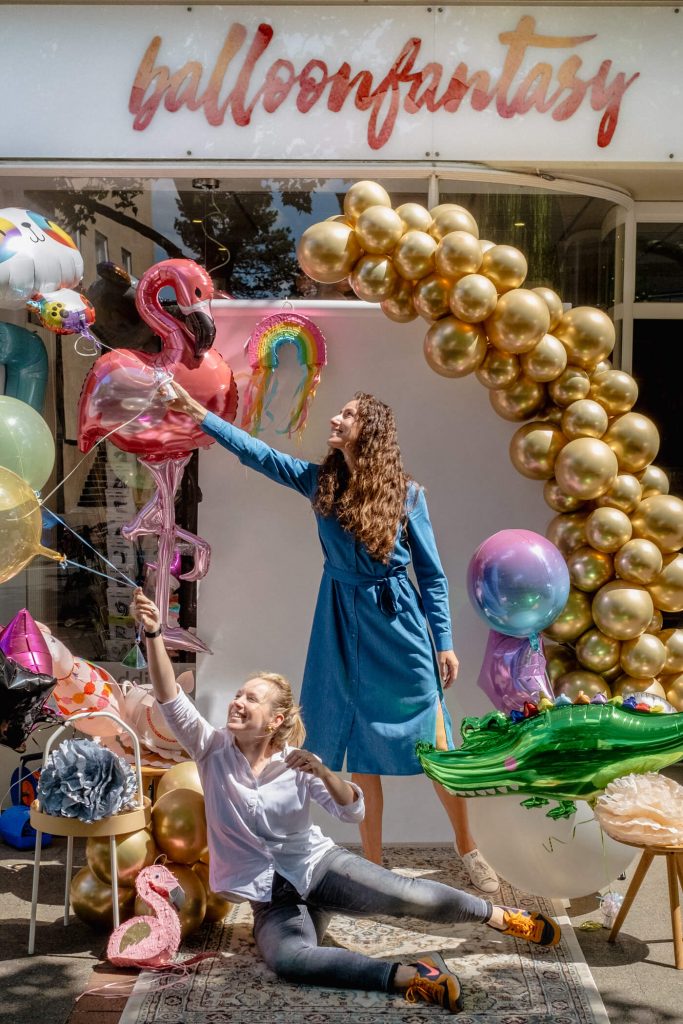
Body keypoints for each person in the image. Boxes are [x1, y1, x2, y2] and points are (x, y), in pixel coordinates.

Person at [133, 589, 561, 1015]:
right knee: (288, 960)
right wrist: (154, 633)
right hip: (272, 897)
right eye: (239, 694)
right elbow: (170, 697)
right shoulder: (210, 750)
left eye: (251, 698)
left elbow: (351, 809)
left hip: (322, 869)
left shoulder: (299, 763)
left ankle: (499, 916)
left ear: (277, 720)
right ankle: (414, 976)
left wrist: (323, 773)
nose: (237, 702)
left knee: (408, 898)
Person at [164, 383, 497, 893]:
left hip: (397, 622)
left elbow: (430, 576)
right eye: (339, 412)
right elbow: (260, 455)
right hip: (340, 621)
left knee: (437, 745)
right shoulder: (321, 482)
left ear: (371, 431)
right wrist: (199, 415)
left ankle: (468, 845)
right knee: (360, 748)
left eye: (348, 415)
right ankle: (375, 866)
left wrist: (444, 640)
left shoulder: (408, 495)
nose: (335, 419)